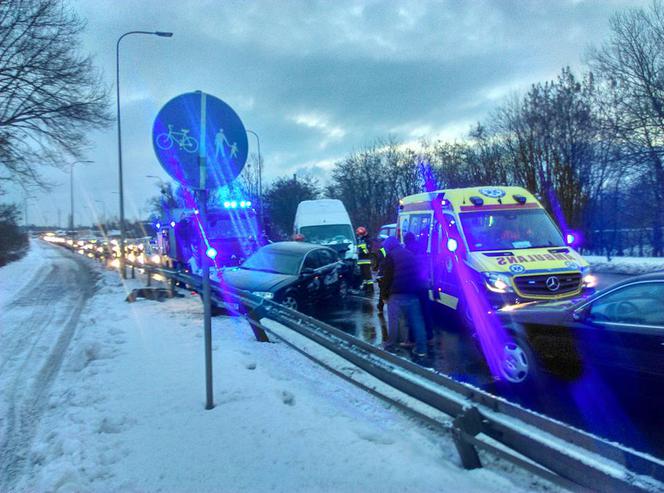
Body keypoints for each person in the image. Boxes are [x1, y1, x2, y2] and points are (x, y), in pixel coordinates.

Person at [381, 236, 428, 361]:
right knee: (417, 322)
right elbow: (418, 273)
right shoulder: (410, 254)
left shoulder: (390, 256)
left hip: (396, 293)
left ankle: (391, 346)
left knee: (394, 321)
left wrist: (384, 295)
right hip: (412, 292)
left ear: (389, 246)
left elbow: (387, 278)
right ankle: (421, 349)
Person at [356, 226, 374, 294]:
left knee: (367, 275)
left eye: (359, 234)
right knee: (363, 275)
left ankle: (370, 288)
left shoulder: (368, 240)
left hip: (366, 260)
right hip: (361, 260)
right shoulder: (360, 239)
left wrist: (363, 248)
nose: (358, 235)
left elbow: (367, 251)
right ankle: (365, 286)